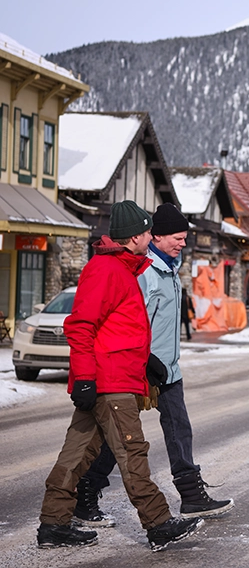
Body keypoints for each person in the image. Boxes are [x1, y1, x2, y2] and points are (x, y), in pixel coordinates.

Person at [38, 200, 202, 551]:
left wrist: (145, 362)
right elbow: (81, 326)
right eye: (147, 231)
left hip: (111, 378)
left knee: (75, 456)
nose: (150, 236)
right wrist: (84, 378)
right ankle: (158, 524)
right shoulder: (106, 270)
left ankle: (53, 524)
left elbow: (116, 332)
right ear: (134, 237)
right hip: (108, 385)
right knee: (132, 453)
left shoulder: (123, 269)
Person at [74, 204, 233, 528]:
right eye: (178, 237)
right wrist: (142, 362)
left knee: (178, 428)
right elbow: (129, 322)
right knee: (115, 436)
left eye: (185, 237)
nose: (183, 243)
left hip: (167, 371)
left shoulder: (170, 269)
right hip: (139, 368)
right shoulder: (144, 273)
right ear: (156, 236)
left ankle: (190, 495)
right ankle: (85, 494)